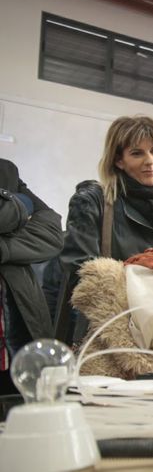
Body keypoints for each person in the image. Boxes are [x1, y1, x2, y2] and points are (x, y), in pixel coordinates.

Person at [56, 115, 153, 344]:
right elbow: (80, 271)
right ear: (119, 160)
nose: (150, 161)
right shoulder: (94, 201)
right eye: (137, 153)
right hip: (108, 332)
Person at [1, 159, 64, 394]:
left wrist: (3, 249)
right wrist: (20, 206)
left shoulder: (5, 171)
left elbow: (51, 232)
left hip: (17, 340)